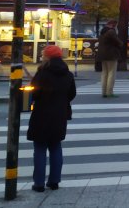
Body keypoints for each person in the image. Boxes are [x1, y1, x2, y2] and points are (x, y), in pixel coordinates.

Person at [27, 45, 76, 193]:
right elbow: (72, 94)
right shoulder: (68, 74)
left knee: (40, 148)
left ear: (47, 57)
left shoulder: (42, 74)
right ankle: (54, 181)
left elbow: (33, 95)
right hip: (60, 115)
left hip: (41, 114)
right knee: (55, 147)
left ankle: (39, 183)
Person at [97, 20, 122, 98]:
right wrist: (121, 43)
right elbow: (118, 42)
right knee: (111, 73)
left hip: (102, 55)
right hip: (111, 55)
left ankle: (104, 92)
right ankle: (109, 92)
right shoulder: (111, 32)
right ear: (113, 25)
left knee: (104, 73)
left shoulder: (102, 32)